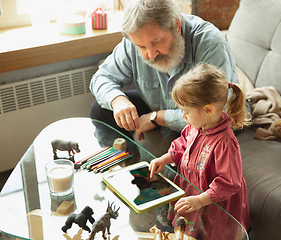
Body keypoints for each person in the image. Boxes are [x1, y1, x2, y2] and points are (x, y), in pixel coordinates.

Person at [89, 0, 241, 157]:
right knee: (100, 110)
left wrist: (157, 117)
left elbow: (217, 112)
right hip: (162, 106)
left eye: (157, 42)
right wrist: (118, 100)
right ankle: (126, 163)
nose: (151, 54)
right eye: (142, 47)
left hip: (201, 118)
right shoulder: (133, 43)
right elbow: (101, 78)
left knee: (180, 165)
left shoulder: (209, 43)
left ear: (176, 25)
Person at [149, 63, 251, 240]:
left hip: (212, 202)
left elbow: (229, 182)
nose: (183, 116)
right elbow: (183, 144)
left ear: (208, 110)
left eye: (185, 111)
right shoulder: (195, 126)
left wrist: (201, 200)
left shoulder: (225, 143)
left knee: (210, 232)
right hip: (192, 190)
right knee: (190, 227)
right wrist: (165, 158)